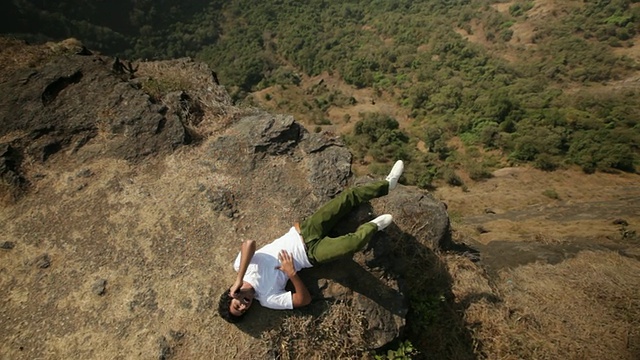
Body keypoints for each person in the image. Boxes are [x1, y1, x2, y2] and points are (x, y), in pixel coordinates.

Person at [217, 160, 405, 323]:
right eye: (243, 310)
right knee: (352, 244)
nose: (243, 306)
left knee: (347, 198)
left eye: (237, 304)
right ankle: (373, 226)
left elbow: (249, 243)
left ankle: (387, 185)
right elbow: (303, 300)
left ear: (232, 294)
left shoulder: (240, 267)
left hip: (305, 230)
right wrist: (292, 274)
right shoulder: (267, 298)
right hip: (310, 254)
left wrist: (239, 279)